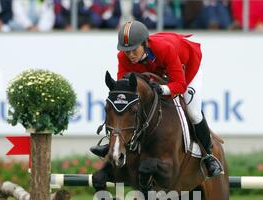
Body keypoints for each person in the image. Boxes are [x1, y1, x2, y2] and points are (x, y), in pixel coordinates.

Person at [91, 20, 223, 178]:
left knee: (193, 112)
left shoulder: (164, 48)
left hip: (186, 67)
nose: (131, 55)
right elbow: (125, 89)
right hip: (159, 71)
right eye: (127, 51)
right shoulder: (123, 57)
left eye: (134, 50)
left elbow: (179, 85)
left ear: (145, 43)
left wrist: (162, 89)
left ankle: (209, 156)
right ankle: (113, 143)